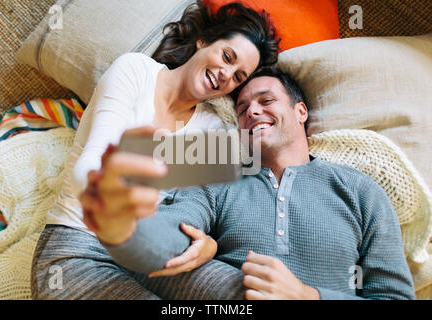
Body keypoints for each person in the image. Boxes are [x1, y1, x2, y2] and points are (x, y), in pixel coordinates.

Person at [82, 66, 416, 300]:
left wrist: (307, 296)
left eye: (266, 101)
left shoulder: (361, 192)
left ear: (300, 112)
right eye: (242, 109)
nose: (252, 112)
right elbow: (175, 230)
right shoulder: (219, 178)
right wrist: (125, 219)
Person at [30, 1, 279, 300]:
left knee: (249, 294)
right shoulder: (136, 71)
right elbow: (91, 162)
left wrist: (210, 245)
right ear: (203, 41)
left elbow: (203, 205)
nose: (227, 74)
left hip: (152, 252)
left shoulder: (213, 129)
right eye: (227, 56)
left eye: (238, 76)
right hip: (76, 249)